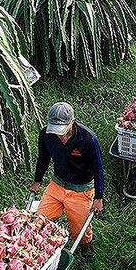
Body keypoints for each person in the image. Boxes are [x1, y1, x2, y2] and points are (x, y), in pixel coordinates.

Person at [29, 102, 104, 255]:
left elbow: (98, 168)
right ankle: (36, 250)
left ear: (72, 121)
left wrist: (99, 197)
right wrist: (37, 181)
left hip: (80, 190)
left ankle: (86, 252)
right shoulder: (46, 135)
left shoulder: (88, 139)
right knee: (38, 221)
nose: (58, 134)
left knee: (80, 229)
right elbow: (43, 158)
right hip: (57, 184)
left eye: (61, 130)